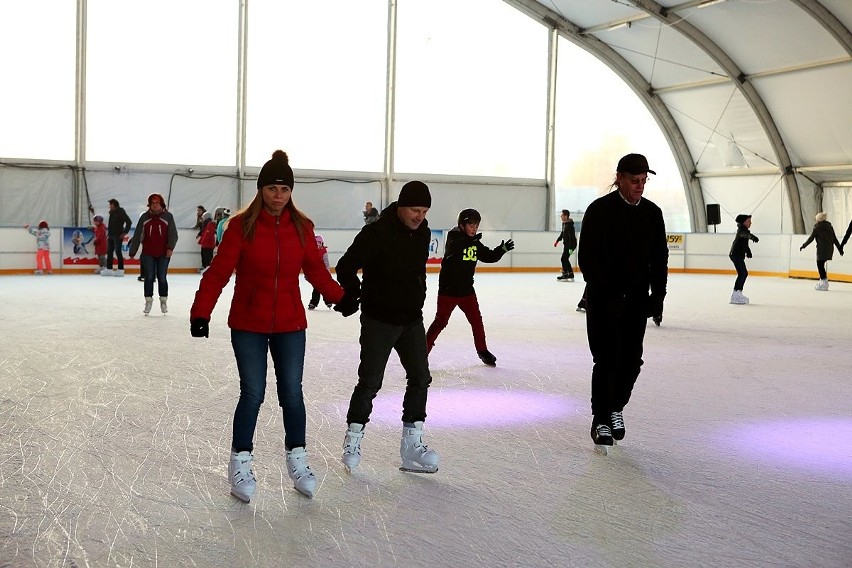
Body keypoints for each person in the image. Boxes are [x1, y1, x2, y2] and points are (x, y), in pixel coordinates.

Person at [190, 150, 345, 500]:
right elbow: (218, 273)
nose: (278, 195)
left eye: (284, 189)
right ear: (261, 190)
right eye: (272, 188)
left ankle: (298, 460)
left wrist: (339, 297)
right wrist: (201, 312)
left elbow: (316, 270)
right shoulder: (241, 227)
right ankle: (241, 464)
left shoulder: (302, 228)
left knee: (292, 393)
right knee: (253, 393)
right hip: (248, 324)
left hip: (290, 324)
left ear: (291, 192)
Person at [334, 181, 439, 474]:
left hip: (411, 319)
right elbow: (345, 265)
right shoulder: (376, 233)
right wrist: (354, 293)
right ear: (401, 207)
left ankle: (411, 447)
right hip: (379, 319)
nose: (420, 216)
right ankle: (353, 439)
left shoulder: (423, 232)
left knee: (420, 377)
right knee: (370, 382)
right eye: (415, 210)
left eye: (425, 211)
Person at [578, 153, 668, 453]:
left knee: (631, 361)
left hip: (637, 301)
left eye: (643, 181)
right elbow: (587, 260)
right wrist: (607, 295)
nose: (639, 187)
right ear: (619, 178)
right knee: (606, 359)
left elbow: (659, 259)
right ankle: (600, 419)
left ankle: (616, 406)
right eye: (634, 181)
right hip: (604, 300)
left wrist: (658, 295)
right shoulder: (599, 211)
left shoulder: (652, 214)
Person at [425, 208, 514, 366]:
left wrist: (502, 250)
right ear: (461, 225)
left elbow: (488, 256)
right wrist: (473, 241)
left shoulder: (473, 242)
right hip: (448, 291)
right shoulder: (454, 238)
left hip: (467, 291)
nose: (474, 229)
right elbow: (457, 247)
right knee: (440, 322)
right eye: (471, 225)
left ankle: (482, 350)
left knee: (476, 321)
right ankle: (421, 353)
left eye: (476, 226)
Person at [128, 194, 178, 315]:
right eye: (153, 202)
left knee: (162, 277)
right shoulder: (144, 217)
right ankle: (148, 300)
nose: (155, 205)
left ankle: (163, 300)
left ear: (161, 204)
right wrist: (133, 251)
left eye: (157, 202)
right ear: (149, 204)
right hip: (148, 252)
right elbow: (137, 234)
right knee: (149, 277)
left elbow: (173, 234)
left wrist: (170, 248)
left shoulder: (168, 217)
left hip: (163, 253)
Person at [800, 211, 843, 291]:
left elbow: (811, 238)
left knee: (820, 264)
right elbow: (834, 239)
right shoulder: (830, 227)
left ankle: (824, 281)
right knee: (821, 264)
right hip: (830, 249)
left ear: (818, 220)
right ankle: (823, 280)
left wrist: (804, 245)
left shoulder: (817, 227)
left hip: (821, 249)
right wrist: (840, 249)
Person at [728, 214, 759, 304]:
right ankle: (735, 295)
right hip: (735, 254)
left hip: (737, 254)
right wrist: (752, 237)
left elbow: (744, 242)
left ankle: (738, 293)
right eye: (749, 221)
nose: (750, 222)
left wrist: (748, 251)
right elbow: (745, 235)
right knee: (742, 274)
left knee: (743, 274)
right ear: (744, 222)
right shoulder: (742, 230)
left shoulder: (743, 229)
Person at [103, 198, 132, 277]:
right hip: (111, 235)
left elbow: (129, 222)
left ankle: (120, 269)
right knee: (109, 252)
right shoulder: (112, 213)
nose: (109, 206)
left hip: (118, 235)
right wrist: (108, 234)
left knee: (118, 251)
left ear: (114, 205)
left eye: (110, 204)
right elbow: (111, 224)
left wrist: (124, 232)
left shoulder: (121, 212)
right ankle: (109, 269)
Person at [307, 234, 334, 310]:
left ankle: (316, 302)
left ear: (322, 244)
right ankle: (326, 301)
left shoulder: (323, 252)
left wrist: (328, 273)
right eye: (315, 243)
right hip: (314, 273)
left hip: (322, 273)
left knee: (320, 287)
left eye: (319, 243)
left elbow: (326, 263)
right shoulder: (311, 252)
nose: (317, 245)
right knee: (318, 288)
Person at [554, 209, 577, 281]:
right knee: (565, 259)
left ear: (566, 216)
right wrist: (557, 240)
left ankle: (565, 274)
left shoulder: (570, 225)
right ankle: (570, 274)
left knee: (563, 258)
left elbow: (571, 237)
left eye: (562, 215)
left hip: (571, 244)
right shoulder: (564, 224)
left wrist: (570, 248)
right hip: (567, 244)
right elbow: (562, 233)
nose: (561, 216)